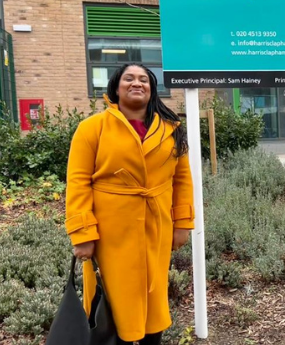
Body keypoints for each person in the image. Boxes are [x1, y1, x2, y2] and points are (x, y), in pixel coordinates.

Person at [65, 64, 194, 344]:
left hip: (155, 229)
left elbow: (182, 180)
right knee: (112, 302)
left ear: (152, 89)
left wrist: (182, 223)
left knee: (154, 300)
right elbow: (77, 182)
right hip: (109, 234)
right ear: (116, 86)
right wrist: (83, 233)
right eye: (129, 78)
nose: (137, 83)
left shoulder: (171, 129)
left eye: (144, 79)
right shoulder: (91, 128)